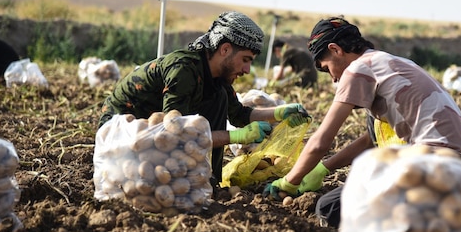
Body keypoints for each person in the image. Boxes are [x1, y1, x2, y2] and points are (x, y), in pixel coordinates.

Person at [263, 17, 461, 227]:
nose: (333, 79)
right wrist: (322, 169)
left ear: (336, 50)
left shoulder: (357, 69)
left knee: (331, 208)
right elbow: (370, 140)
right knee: (372, 123)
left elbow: (321, 141)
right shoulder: (392, 62)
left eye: (328, 68)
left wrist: (289, 181)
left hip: (434, 168)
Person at [98, 11, 310, 187]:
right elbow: (174, 132)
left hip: (154, 135)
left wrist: (280, 113)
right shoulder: (184, 69)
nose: (247, 69)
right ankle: (197, 181)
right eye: (245, 60)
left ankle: (210, 181)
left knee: (218, 98)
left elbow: (240, 114)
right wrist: (236, 137)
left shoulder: (218, 78)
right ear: (225, 49)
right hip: (121, 132)